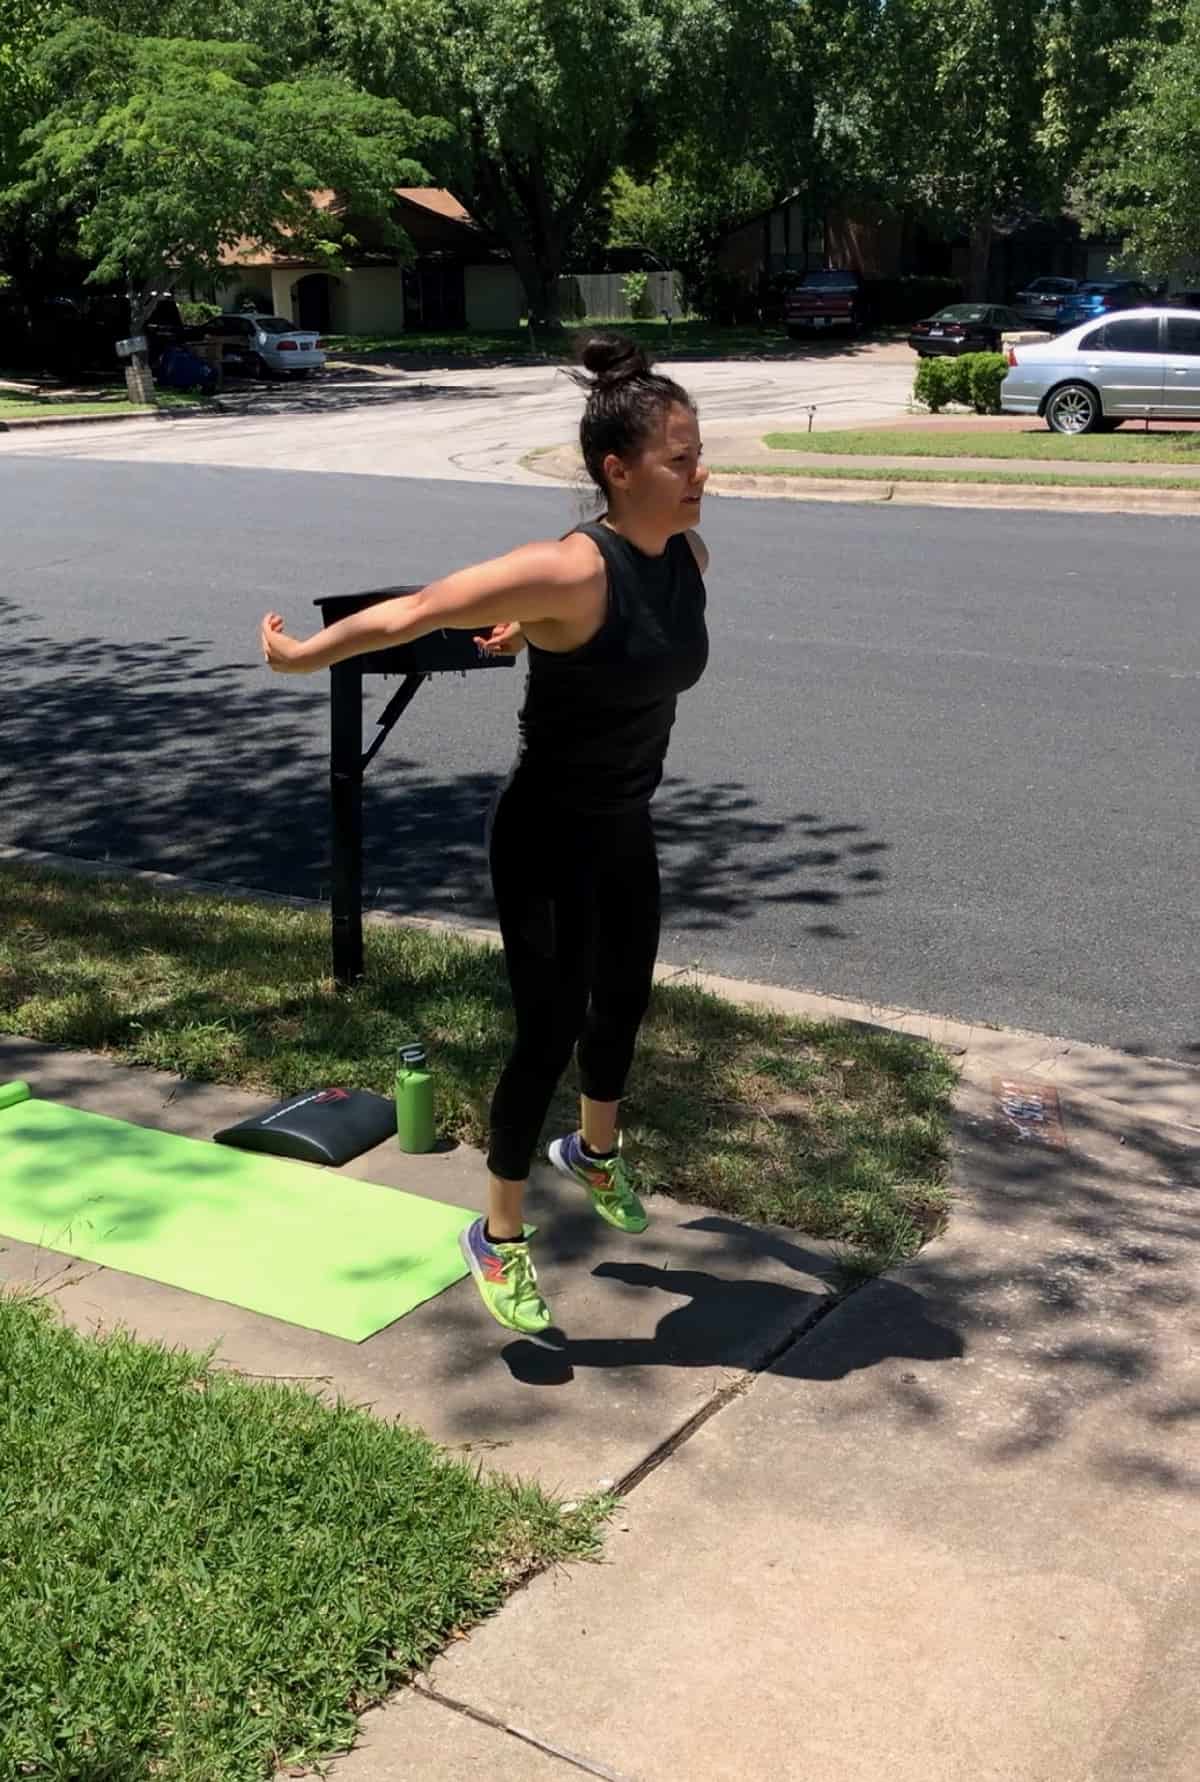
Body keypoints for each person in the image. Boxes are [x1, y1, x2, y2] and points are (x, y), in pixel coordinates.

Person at [260, 332, 710, 1340]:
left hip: (625, 822)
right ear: (619, 469)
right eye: (680, 459)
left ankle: (593, 1152)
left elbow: (625, 653)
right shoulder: (565, 569)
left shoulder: (687, 557)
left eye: (698, 454)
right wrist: (301, 658)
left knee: (623, 1003)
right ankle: (497, 1235)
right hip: (545, 834)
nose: (700, 475)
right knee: (547, 1032)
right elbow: (419, 611)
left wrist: (537, 634)